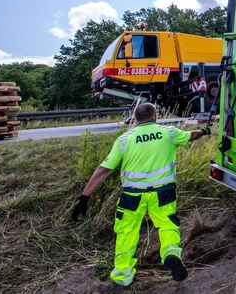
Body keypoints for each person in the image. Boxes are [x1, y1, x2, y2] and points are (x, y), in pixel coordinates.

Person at [71, 103, 212, 286]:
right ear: (154, 115)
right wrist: (204, 130)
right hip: (163, 192)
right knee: (167, 224)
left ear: (135, 119)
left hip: (132, 196)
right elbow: (191, 135)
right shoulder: (169, 133)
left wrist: (84, 197)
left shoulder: (124, 140)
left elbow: (104, 169)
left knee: (127, 233)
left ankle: (123, 276)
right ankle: (171, 253)